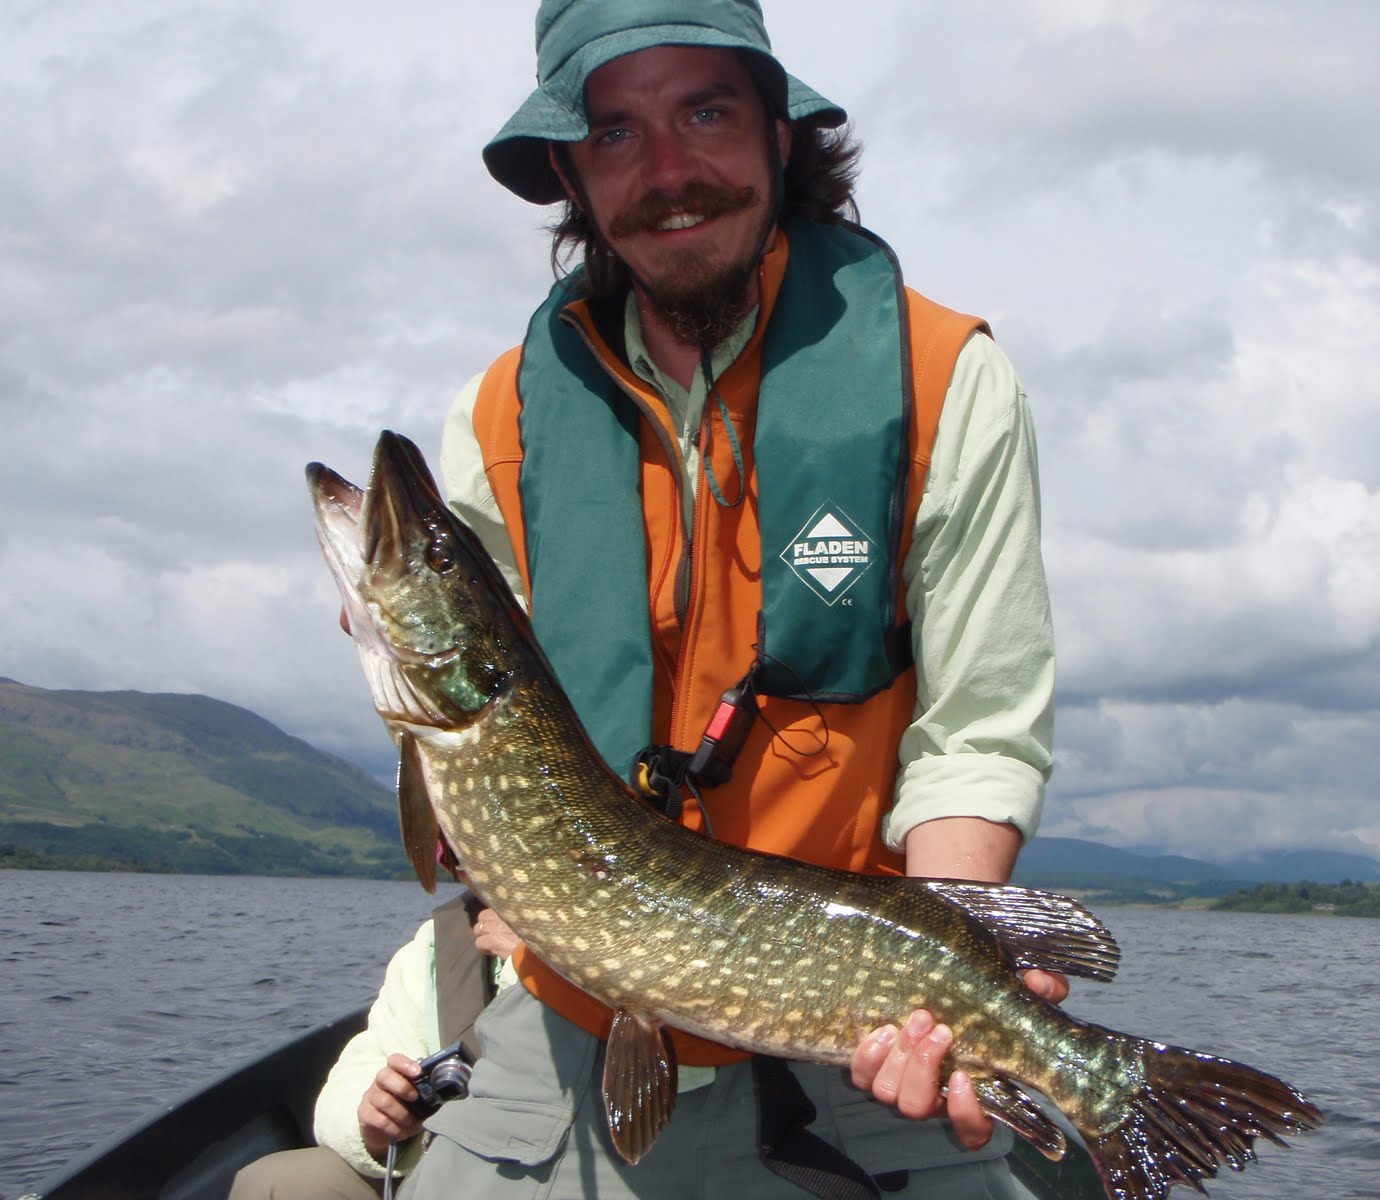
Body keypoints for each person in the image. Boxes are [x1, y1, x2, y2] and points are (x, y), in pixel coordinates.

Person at [405, 1, 1062, 1195]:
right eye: (614, 133)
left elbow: (976, 731)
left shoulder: (942, 380)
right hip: (569, 1036)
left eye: (704, 111)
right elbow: (477, 731)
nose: (667, 172)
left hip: (854, 1041)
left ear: (777, 129)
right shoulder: (498, 416)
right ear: (569, 170)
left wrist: (937, 1002)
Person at [228, 895, 519, 1198]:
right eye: (451, 855)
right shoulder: (432, 945)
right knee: (279, 1182)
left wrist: (529, 970)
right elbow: (373, 1057)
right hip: (441, 1170)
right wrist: (372, 1124)